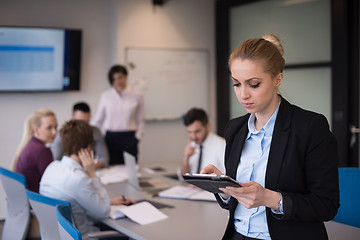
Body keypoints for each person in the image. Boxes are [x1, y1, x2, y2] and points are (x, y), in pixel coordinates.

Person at [201, 34, 340, 240]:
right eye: (236, 84)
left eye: (254, 84)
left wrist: (270, 198)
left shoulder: (310, 127)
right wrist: (224, 188)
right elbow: (235, 204)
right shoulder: (235, 128)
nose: (243, 95)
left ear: (278, 79)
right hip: (237, 235)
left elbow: (326, 206)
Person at [40, 120, 134, 239]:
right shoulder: (79, 179)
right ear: (89, 147)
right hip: (84, 236)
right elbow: (103, 211)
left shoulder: (51, 167)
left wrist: (108, 200)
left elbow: (75, 199)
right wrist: (92, 174)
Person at [92, 65, 145, 165]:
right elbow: (98, 119)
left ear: (125, 76)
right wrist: (86, 128)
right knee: (112, 169)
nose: (118, 81)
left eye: (120, 77)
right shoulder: (106, 96)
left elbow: (140, 119)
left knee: (131, 169)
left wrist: (138, 137)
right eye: (114, 79)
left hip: (130, 137)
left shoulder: (137, 95)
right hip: (111, 138)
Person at [51, 102, 109, 168]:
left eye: (86, 122)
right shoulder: (63, 134)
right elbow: (54, 160)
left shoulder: (95, 132)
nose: (84, 127)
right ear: (72, 118)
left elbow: (104, 158)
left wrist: (91, 167)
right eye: (80, 123)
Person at [14, 108, 57, 193]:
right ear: (36, 129)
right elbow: (54, 184)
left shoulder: (31, 145)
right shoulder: (41, 151)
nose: (54, 132)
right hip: (37, 202)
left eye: (55, 127)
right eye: (49, 128)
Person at [180, 108, 225, 175]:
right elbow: (182, 176)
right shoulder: (192, 144)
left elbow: (228, 178)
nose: (193, 136)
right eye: (189, 132)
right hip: (190, 185)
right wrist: (186, 157)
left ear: (207, 126)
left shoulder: (221, 145)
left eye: (197, 131)